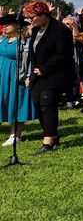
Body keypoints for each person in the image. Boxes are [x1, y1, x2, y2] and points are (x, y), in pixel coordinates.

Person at [24, 0, 76, 154]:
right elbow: (34, 54)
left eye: (32, 17)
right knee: (37, 101)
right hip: (38, 74)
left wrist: (45, 68)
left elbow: (64, 54)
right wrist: (31, 73)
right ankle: (52, 133)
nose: (30, 21)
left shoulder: (60, 30)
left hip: (56, 74)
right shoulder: (36, 30)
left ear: (43, 14)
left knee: (47, 103)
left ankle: (48, 142)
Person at [0, 17, 36, 147]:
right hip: (2, 76)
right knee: (2, 101)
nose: (4, 27)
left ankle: (15, 135)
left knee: (16, 103)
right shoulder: (3, 40)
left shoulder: (25, 42)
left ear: (17, 26)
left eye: (7, 24)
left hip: (17, 76)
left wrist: (28, 76)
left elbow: (31, 61)